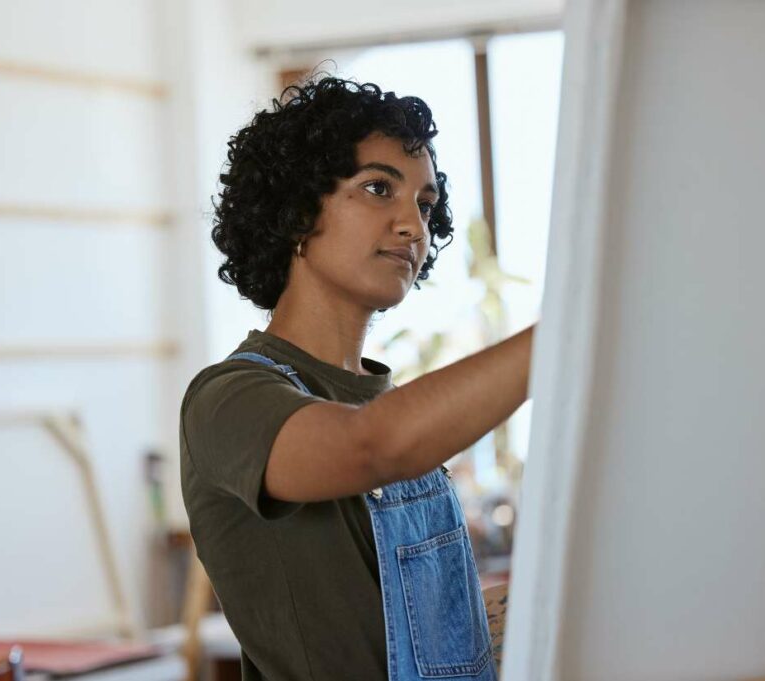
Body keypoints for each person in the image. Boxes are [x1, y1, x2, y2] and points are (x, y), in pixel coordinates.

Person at [179, 76, 535, 681]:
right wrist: (569, 336)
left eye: (424, 205)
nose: (413, 227)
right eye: (378, 189)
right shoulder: (228, 400)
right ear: (295, 210)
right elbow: (373, 445)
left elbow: (428, 633)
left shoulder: (393, 406)